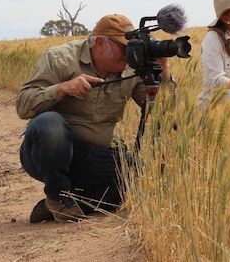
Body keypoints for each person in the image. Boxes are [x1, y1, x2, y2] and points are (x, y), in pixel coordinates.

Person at [16, 14, 171, 223]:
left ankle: (65, 204)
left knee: (140, 180)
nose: (129, 53)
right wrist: (62, 89)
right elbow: (23, 105)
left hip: (95, 157)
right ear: (100, 44)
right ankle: (58, 195)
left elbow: (165, 112)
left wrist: (163, 72)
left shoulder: (132, 68)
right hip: (47, 154)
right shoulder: (60, 58)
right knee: (49, 124)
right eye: (124, 47)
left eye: (133, 47)